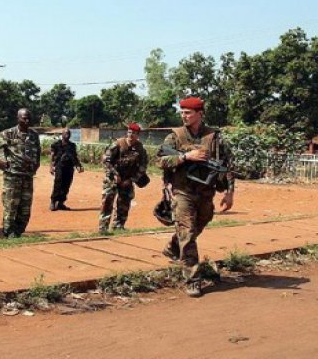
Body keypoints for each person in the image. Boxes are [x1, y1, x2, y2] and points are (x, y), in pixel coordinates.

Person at [156, 97, 235, 298]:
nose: (184, 115)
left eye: (188, 112)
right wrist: (185, 157)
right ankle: (192, 279)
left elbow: (228, 165)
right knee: (188, 232)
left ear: (200, 114)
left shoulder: (215, 137)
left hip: (206, 192)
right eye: (182, 112)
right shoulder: (175, 136)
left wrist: (229, 192)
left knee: (200, 223)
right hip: (183, 192)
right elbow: (159, 161)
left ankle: (173, 246)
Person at [0, 108, 41, 238]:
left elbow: (37, 151)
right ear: (18, 119)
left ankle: (18, 231)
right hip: (12, 176)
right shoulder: (9, 133)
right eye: (24, 118)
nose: (27, 120)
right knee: (10, 206)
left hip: (27, 177)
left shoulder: (34, 135)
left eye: (29, 118)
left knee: (25, 208)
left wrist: (36, 165)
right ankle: (9, 232)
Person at [98, 122, 148, 233]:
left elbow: (143, 166)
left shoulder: (140, 149)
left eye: (134, 133)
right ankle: (103, 227)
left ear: (138, 135)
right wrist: (115, 174)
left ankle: (119, 226)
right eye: (129, 132)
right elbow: (106, 160)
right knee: (107, 202)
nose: (131, 135)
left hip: (128, 180)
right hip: (113, 178)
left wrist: (132, 179)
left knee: (124, 203)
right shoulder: (118, 144)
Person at [49, 128, 84, 211]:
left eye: (69, 133)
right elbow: (52, 156)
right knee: (58, 183)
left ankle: (61, 203)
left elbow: (75, 157)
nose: (67, 135)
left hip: (69, 168)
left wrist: (78, 165)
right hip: (59, 167)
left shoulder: (72, 145)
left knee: (66, 185)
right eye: (66, 133)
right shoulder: (56, 144)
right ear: (62, 134)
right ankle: (53, 201)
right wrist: (51, 167)